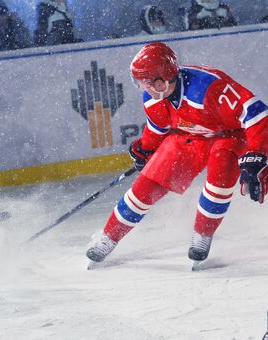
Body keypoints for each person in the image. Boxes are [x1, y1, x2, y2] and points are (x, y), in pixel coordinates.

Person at [86, 42, 268, 265]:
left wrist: (258, 153)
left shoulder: (208, 88)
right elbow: (158, 128)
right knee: (147, 185)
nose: (143, 88)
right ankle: (108, 238)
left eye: (145, 82)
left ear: (161, 81)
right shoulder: (153, 98)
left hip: (231, 134)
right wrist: (145, 147)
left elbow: (257, 113)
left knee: (220, 175)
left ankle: (202, 235)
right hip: (191, 136)